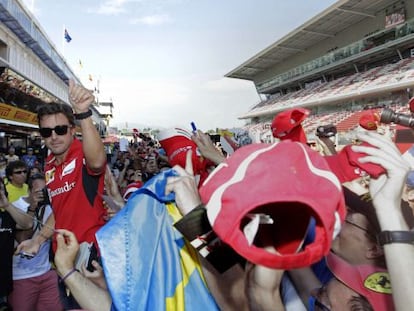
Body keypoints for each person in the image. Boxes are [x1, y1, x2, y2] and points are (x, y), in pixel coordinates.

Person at [16, 79, 107, 308]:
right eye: (47, 131)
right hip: (62, 261)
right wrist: (37, 240)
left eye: (60, 129)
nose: (53, 136)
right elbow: (59, 210)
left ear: (72, 130)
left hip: (90, 257)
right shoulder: (48, 163)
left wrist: (83, 113)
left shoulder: (82, 151)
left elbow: (97, 163)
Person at [8, 173, 63, 311]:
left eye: (46, 191)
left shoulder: (51, 209)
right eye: (39, 191)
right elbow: (23, 241)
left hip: (46, 273)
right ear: (29, 190)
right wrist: (33, 208)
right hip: (21, 277)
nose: (43, 194)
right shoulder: (16, 207)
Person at [0, 177, 32, 309]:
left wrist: (7, 205)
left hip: (3, 284)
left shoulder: (7, 216)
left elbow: (27, 223)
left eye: (1, 189)